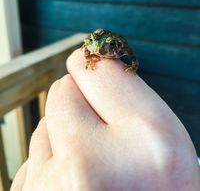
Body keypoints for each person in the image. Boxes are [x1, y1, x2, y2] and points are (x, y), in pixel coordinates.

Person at [11, 49, 200, 190]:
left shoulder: (117, 47)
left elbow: (130, 54)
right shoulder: (92, 48)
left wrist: (130, 66)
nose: (97, 48)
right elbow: (89, 48)